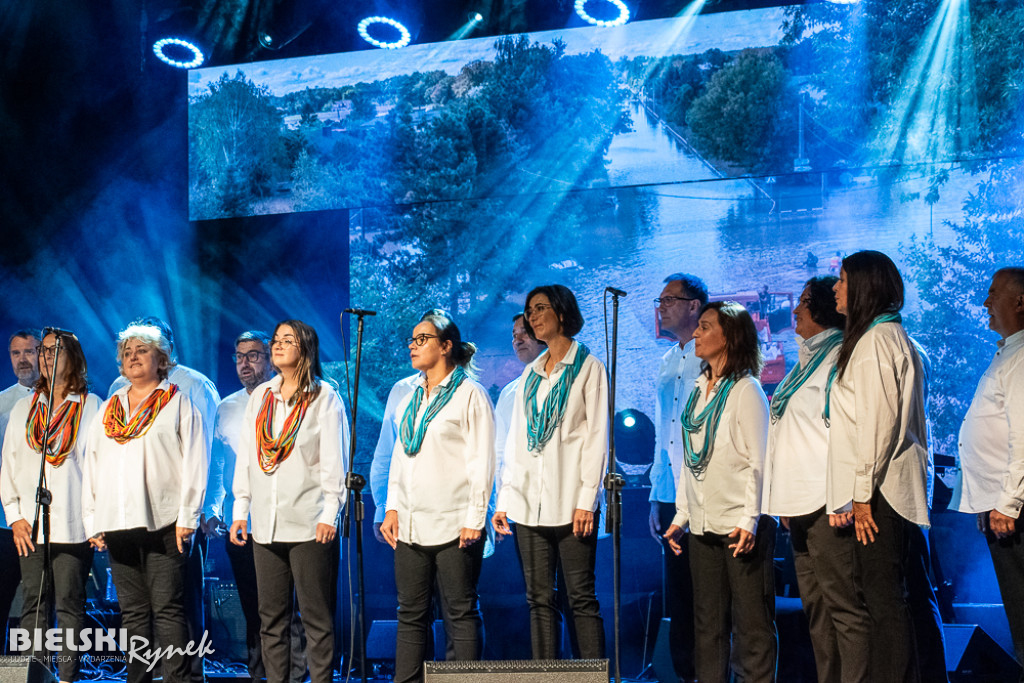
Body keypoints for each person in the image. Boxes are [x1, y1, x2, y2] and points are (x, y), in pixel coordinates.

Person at [82, 323, 208, 683]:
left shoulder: (179, 402)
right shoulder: (107, 410)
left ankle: (178, 679)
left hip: (166, 521)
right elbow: (92, 466)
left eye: (142, 350)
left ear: (161, 358)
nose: (133, 357)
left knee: (168, 610)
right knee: (133, 612)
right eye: (127, 352)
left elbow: (195, 463)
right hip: (117, 523)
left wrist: (188, 516)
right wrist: (93, 521)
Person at [826, 250, 930, 682]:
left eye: (843, 280)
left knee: (885, 603)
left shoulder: (873, 344)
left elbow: (879, 426)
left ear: (865, 287)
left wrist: (862, 496)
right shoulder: (889, 339)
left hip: (882, 493)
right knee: (892, 599)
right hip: (887, 489)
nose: (835, 288)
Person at [761, 277, 870, 683]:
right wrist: (783, 502)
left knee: (844, 608)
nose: (794, 311)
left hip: (828, 505)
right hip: (798, 503)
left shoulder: (843, 355)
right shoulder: (805, 360)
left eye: (804, 302)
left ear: (823, 307)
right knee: (817, 610)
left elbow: (846, 433)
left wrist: (842, 498)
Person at [230, 320, 349, 683]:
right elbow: (247, 458)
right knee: (271, 620)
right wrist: (241, 511)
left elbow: (334, 462)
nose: (279, 345)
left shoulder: (324, 396)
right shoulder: (262, 397)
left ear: (306, 348)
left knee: (315, 619)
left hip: (311, 524)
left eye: (288, 340)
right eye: (277, 340)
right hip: (265, 525)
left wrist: (331, 512)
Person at [493, 284, 608, 660]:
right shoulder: (529, 376)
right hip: (528, 505)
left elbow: (596, 439)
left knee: (581, 598)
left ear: (562, 313)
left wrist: (587, 501)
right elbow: (517, 445)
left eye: (541, 308)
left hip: (571, 502)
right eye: (529, 310)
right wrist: (505, 499)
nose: (533, 316)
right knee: (539, 601)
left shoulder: (589, 368)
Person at [663, 301, 776, 683]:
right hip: (702, 525)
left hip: (739, 527)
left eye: (705, 327)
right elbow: (690, 462)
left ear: (729, 336)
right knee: (706, 626)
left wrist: (750, 519)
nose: (695, 333)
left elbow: (761, 462)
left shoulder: (746, 390)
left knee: (751, 627)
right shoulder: (697, 392)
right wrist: (682, 516)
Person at [380, 310, 495, 682]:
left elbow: (483, 461)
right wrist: (392, 507)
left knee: (459, 612)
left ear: (446, 346)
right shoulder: (409, 396)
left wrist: (475, 519)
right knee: (410, 612)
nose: (413, 346)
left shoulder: (469, 395)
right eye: (412, 339)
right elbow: (401, 455)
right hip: (412, 523)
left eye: (422, 339)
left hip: (454, 522)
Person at [205, 331, 306, 683]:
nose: (244, 363)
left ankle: (295, 673)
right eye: (239, 356)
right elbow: (218, 464)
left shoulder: (292, 399)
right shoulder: (227, 406)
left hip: (285, 517)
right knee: (253, 602)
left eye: (253, 355)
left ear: (270, 357)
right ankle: (259, 672)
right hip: (241, 521)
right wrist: (212, 508)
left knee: (287, 605)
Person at [1, 329, 99, 682]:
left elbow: (97, 468)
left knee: (70, 606)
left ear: (72, 355)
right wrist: (15, 518)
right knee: (33, 605)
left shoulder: (91, 405)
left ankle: (68, 677)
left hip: (73, 524)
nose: (45, 356)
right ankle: (33, 677)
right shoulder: (24, 407)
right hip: (30, 527)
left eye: (54, 350)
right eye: (42, 351)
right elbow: (8, 467)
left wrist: (95, 521)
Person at [950, 266, 1024, 679]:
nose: (985, 303)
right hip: (1005, 505)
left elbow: (1023, 436)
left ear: (1020, 302)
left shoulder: (1023, 355)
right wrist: (987, 499)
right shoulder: (1010, 352)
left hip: (1017, 509)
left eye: (993, 294)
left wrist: (1008, 503)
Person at [649, 273, 708, 682]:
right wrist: (656, 492)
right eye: (660, 299)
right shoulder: (667, 361)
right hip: (672, 490)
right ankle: (686, 673)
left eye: (670, 299)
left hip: (704, 488)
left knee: (708, 591)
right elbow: (662, 429)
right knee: (680, 593)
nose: (662, 305)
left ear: (694, 305)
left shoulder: (713, 356)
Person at [0, 328, 39, 643]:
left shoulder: (63, 399)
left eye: (30, 351)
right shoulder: (3, 403)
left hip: (46, 521)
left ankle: (40, 670)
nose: (23, 359)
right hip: (5, 523)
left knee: (40, 602)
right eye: (16, 353)